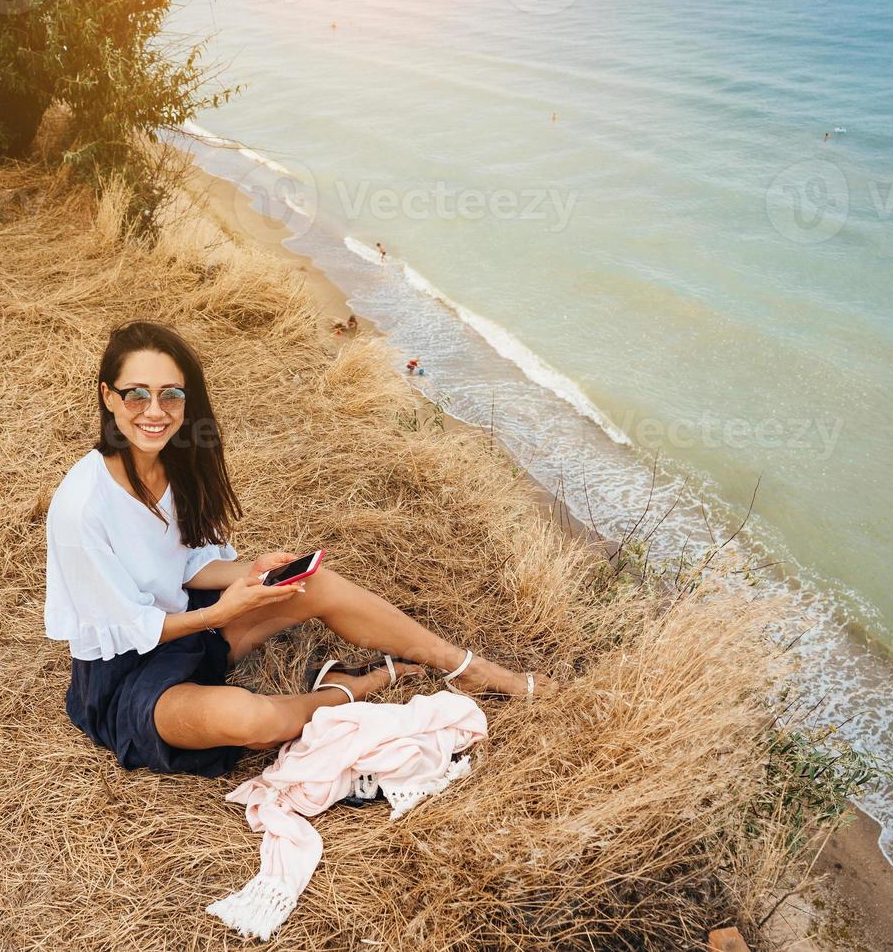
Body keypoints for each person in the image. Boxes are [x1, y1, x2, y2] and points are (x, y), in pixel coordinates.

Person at [46, 321, 552, 778]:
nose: (154, 412)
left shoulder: (173, 464)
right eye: (136, 395)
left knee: (310, 579)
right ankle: (361, 685)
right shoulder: (82, 507)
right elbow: (123, 630)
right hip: (130, 674)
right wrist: (223, 612)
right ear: (108, 398)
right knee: (254, 719)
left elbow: (183, 563)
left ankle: (474, 669)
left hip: (188, 628)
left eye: (170, 395)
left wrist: (250, 573)